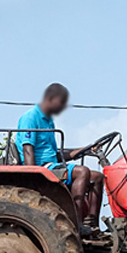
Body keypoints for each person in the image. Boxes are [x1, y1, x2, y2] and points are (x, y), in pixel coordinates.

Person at [16, 83, 104, 236]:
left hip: (52, 164)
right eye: (61, 103)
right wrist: (34, 175)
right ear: (50, 98)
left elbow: (56, 153)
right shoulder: (30, 118)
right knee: (82, 172)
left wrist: (85, 149)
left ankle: (92, 223)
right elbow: (27, 149)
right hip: (41, 167)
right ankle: (76, 223)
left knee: (97, 177)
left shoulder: (49, 122)